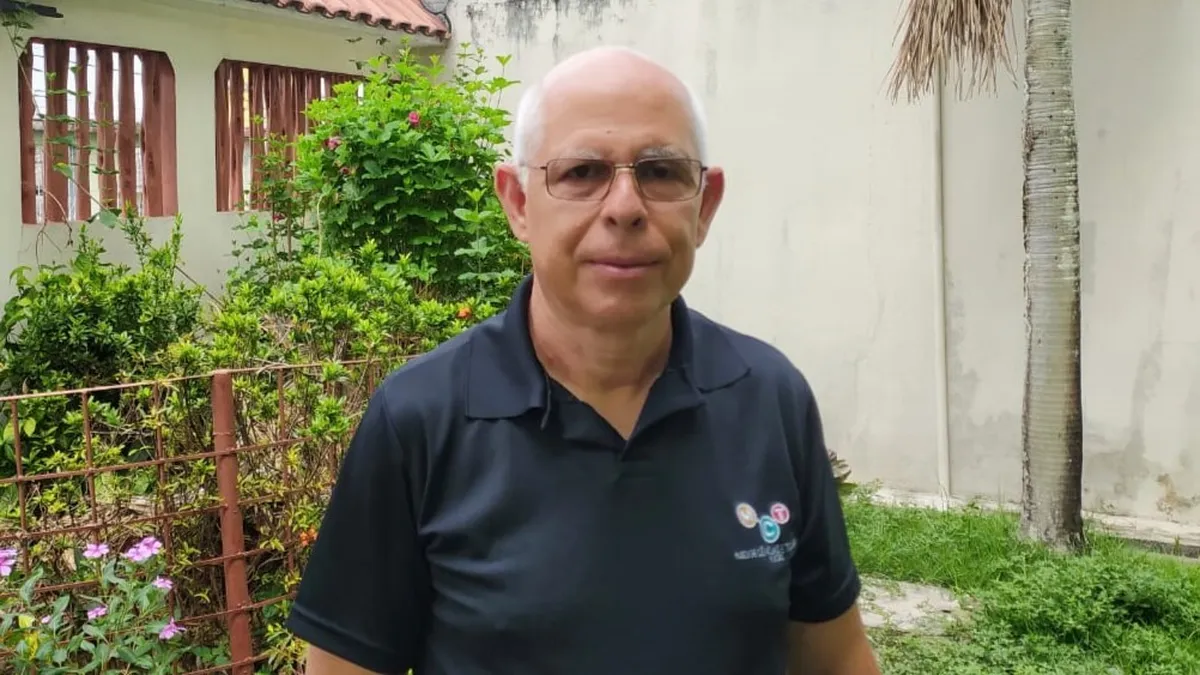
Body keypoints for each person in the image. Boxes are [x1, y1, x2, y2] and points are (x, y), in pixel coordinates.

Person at [287, 45, 881, 675]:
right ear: (518, 203)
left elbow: (836, 657)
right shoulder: (419, 419)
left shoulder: (769, 397)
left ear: (704, 205)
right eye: (582, 172)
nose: (625, 207)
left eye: (661, 171)